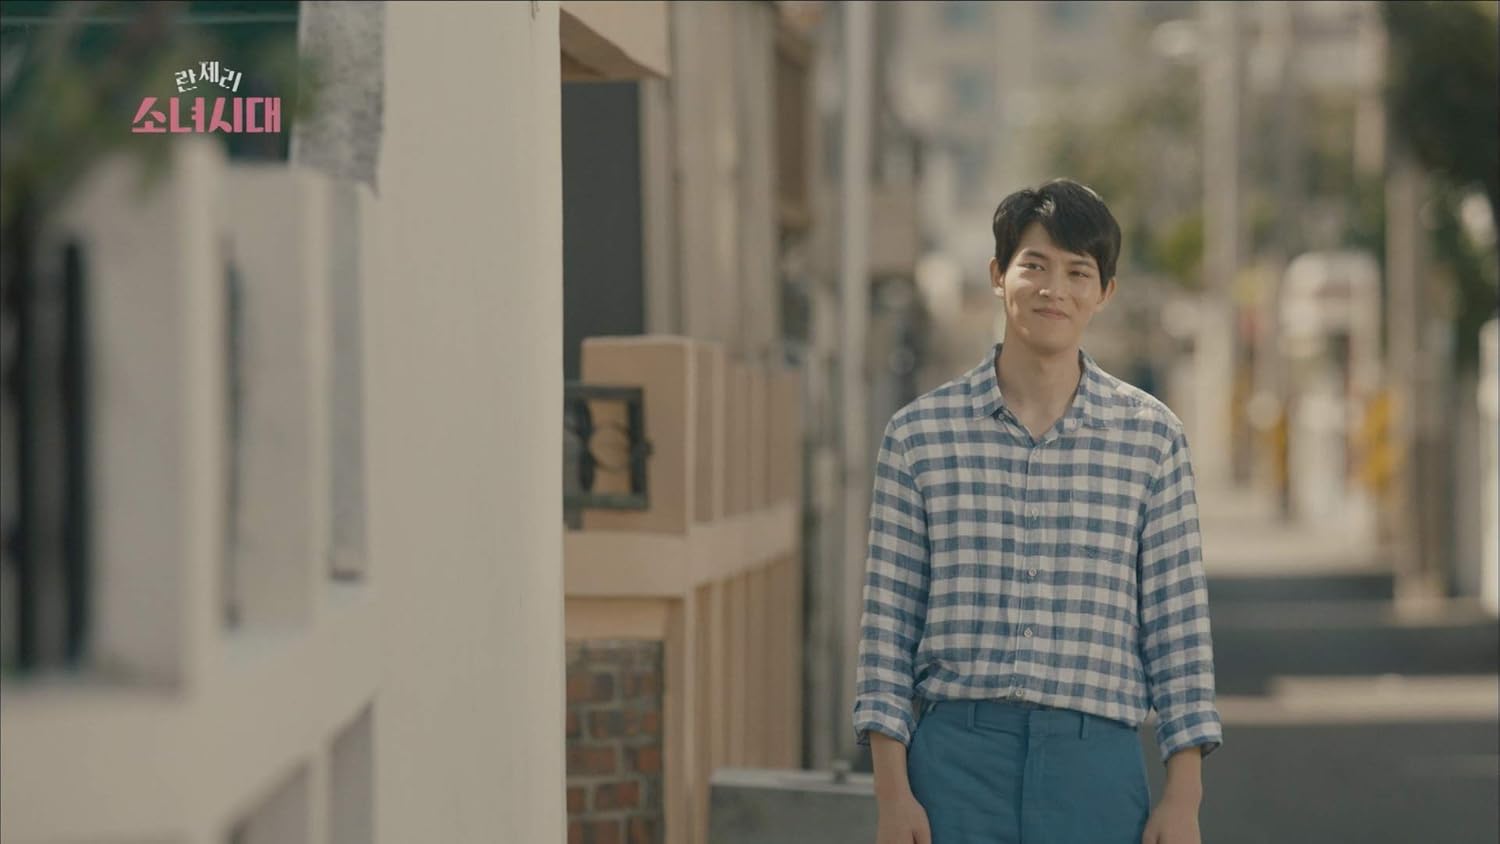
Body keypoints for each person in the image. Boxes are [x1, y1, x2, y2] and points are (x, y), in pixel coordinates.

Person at [853, 179, 1223, 844]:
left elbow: (1178, 629)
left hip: (1097, 766)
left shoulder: (1152, 439)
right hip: (954, 766)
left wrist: (1184, 799)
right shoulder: (919, 437)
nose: (1054, 289)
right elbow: (888, 630)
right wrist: (891, 796)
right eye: (1035, 265)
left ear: (1104, 292)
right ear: (999, 274)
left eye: (1078, 271)